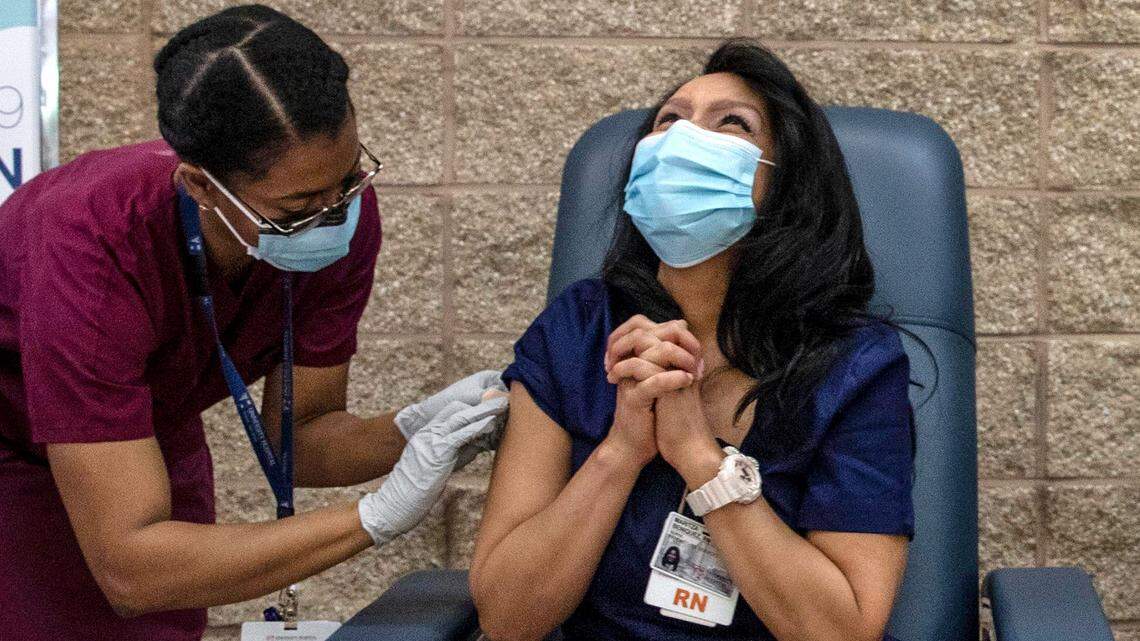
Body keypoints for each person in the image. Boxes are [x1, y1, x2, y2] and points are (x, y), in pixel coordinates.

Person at [0, 5, 505, 641]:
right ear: (201, 187)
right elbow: (133, 568)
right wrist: (374, 517)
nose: (332, 217)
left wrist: (417, 432)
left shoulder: (338, 210)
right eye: (297, 209)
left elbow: (304, 440)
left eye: (349, 182)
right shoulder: (89, 246)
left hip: (147, 431)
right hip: (16, 443)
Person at [469, 39, 933, 641]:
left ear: (784, 181)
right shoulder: (579, 330)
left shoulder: (853, 365)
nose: (683, 141)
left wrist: (699, 459)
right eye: (669, 121)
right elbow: (506, 619)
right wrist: (622, 450)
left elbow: (840, 632)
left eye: (731, 123)